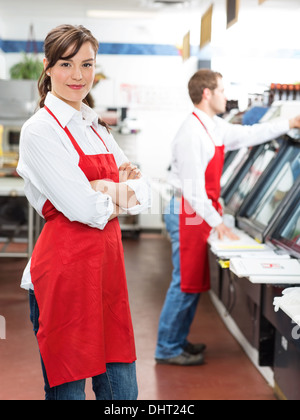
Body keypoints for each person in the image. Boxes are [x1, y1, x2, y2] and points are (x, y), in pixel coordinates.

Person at [17, 24, 151, 400]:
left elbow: (145, 194)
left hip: (108, 273)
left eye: (87, 64)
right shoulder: (40, 130)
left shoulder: (97, 126)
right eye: (66, 64)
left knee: (122, 394)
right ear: (47, 67)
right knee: (69, 393)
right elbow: (84, 209)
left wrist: (104, 189)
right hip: (63, 277)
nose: (78, 76)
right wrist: (115, 192)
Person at [155, 69, 300, 366]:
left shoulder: (213, 126)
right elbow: (193, 190)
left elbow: (249, 134)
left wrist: (289, 122)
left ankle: (176, 340)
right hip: (187, 210)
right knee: (185, 282)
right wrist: (217, 222)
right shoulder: (191, 132)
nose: (226, 96)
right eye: (221, 90)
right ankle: (167, 347)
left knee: (191, 282)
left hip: (195, 211)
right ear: (207, 94)